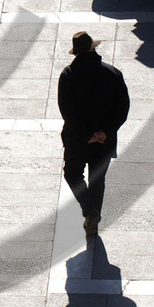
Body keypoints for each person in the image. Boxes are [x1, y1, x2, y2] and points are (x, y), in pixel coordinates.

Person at [57, 32, 130, 240]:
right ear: (92, 48)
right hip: (104, 141)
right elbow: (122, 107)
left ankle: (89, 210)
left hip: (77, 140)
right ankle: (93, 219)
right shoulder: (113, 73)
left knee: (72, 174)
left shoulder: (68, 74)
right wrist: (105, 132)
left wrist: (86, 134)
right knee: (97, 181)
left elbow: (66, 109)